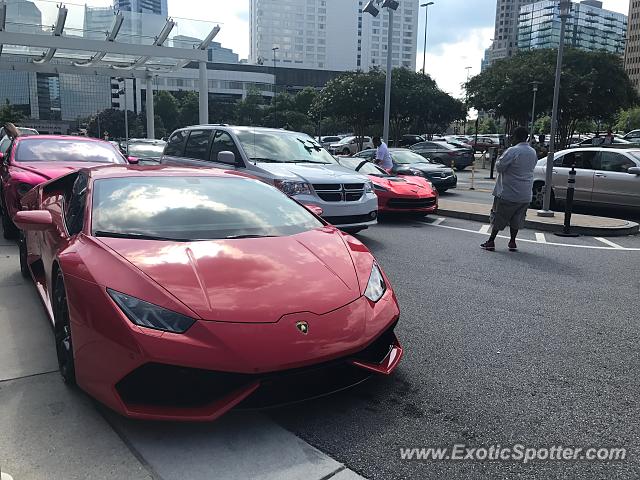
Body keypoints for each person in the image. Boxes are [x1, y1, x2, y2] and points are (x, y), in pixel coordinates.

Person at [481, 126, 538, 252]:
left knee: (498, 217)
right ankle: (512, 242)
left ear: (516, 137)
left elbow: (500, 167)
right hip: (525, 193)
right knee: (517, 219)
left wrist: (500, 156)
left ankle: (491, 241)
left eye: (512, 136)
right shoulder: (532, 151)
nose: (511, 139)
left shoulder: (512, 151)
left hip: (508, 192)